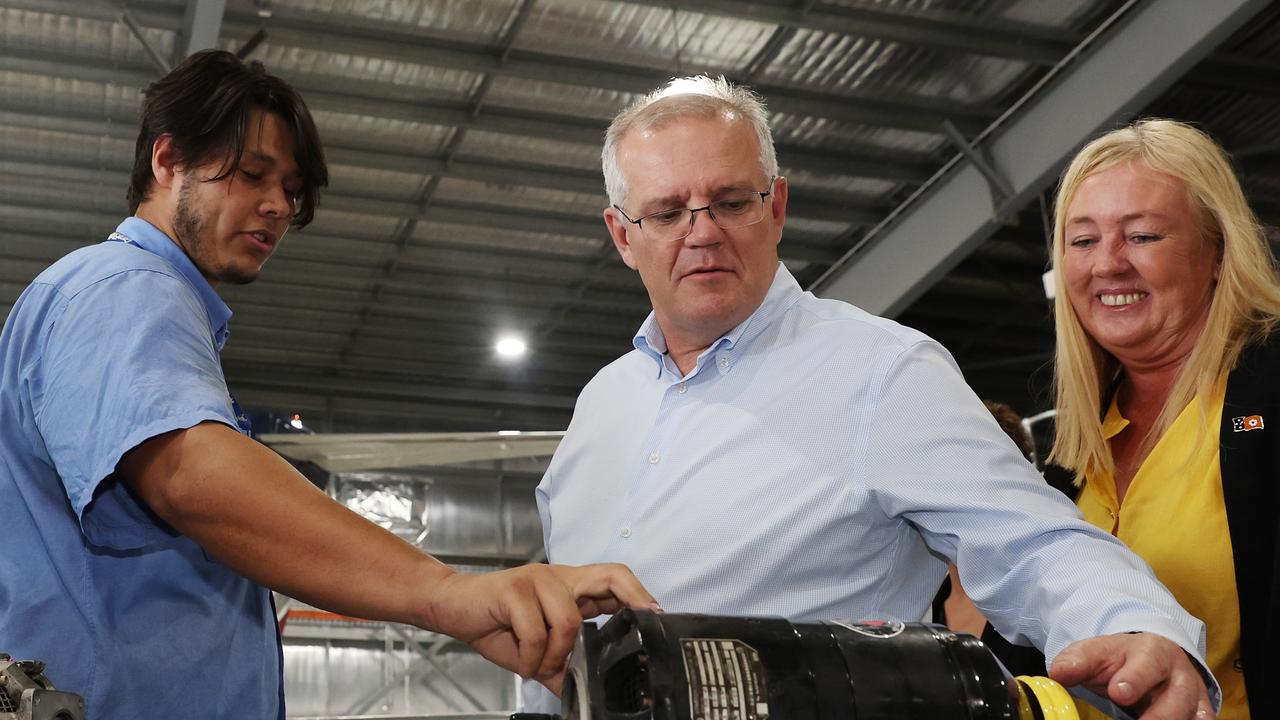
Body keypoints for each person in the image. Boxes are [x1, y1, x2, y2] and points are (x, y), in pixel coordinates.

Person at [527, 77, 1220, 719]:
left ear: (778, 207)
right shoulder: (602, 406)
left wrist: (1135, 629)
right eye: (668, 211)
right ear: (623, 234)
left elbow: (1034, 542)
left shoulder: (883, 375)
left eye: (732, 201)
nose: (702, 231)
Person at [0, 50, 657, 718]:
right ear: (167, 161)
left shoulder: (131, 302)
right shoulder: (123, 287)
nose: (277, 206)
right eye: (253, 173)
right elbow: (191, 473)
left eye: (290, 188)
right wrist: (445, 593)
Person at [1049, 118, 1280, 719]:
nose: (1108, 264)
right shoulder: (1076, 447)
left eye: (1143, 235)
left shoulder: (1269, 390)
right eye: (1083, 241)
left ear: (1217, 250)